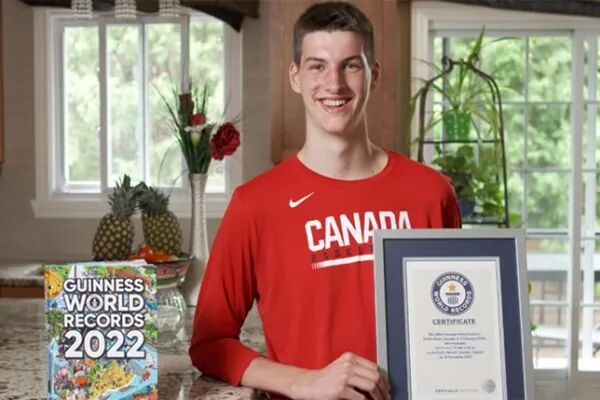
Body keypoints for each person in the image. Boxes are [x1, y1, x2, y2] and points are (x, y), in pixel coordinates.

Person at [189, 2, 461, 399]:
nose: (334, 83)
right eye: (317, 66)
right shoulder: (255, 205)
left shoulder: (431, 194)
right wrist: (304, 382)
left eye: (350, 65)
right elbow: (210, 344)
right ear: (295, 77)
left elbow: (456, 319)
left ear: (374, 75)